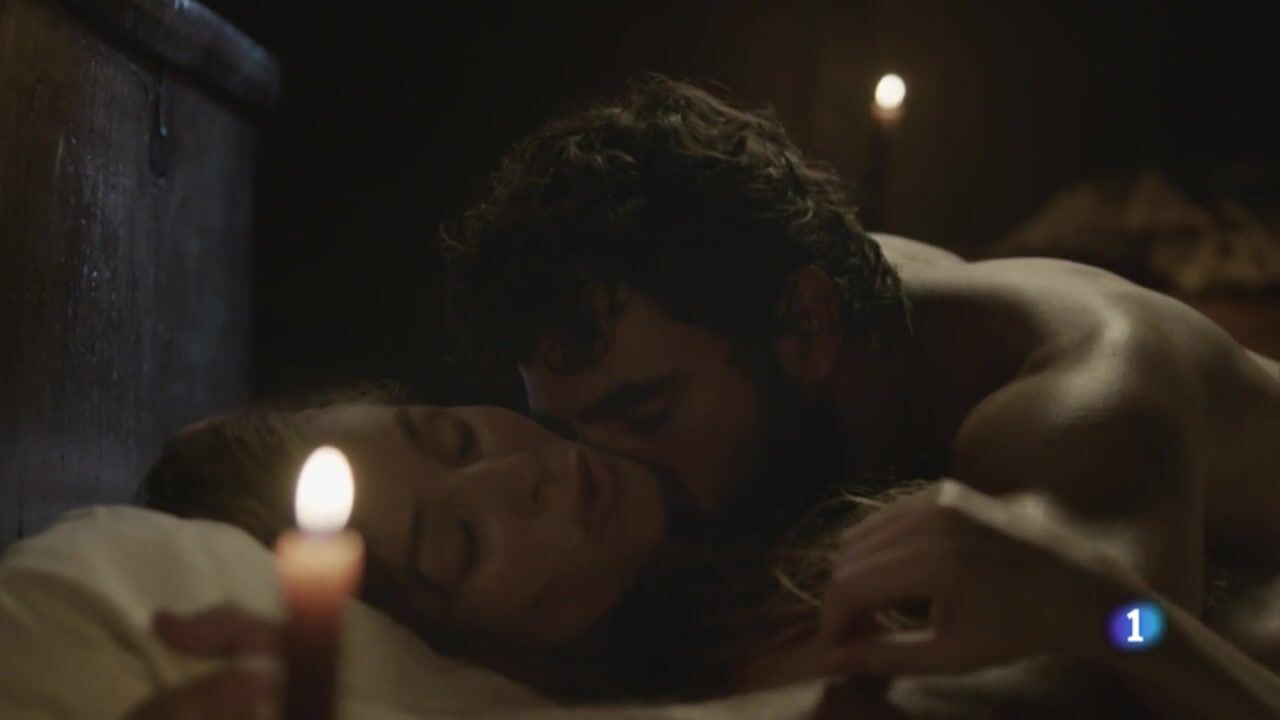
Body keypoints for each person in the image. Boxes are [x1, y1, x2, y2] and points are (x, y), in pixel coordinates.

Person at [441, 73, 1280, 708]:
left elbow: (1127, 642)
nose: (608, 466)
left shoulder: (1075, 403)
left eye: (646, 413)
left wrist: (1102, 613)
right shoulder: (795, 292)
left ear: (808, 326)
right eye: (572, 430)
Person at [128, 400, 1280, 719]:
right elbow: (1134, 640)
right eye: (461, 542)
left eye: (453, 437)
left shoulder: (745, 486)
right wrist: (1113, 618)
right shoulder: (779, 679)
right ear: (451, 649)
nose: (516, 475)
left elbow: (1137, 629)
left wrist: (1113, 615)